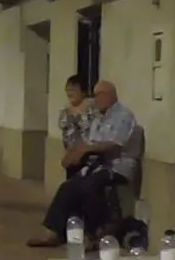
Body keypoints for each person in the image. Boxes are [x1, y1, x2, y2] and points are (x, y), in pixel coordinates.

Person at [26, 81, 138, 247]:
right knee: (69, 186)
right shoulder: (99, 117)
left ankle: (97, 232)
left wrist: (86, 150)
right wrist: (73, 154)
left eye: (97, 95)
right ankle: (54, 232)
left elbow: (115, 145)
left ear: (109, 95)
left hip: (117, 166)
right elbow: (88, 141)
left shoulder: (123, 115)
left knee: (88, 187)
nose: (95, 100)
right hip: (98, 164)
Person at [57, 75, 97, 179]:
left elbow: (93, 131)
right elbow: (65, 132)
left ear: (83, 91)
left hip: (88, 155)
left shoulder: (92, 108)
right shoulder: (65, 110)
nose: (70, 93)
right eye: (68, 89)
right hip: (71, 156)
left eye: (74, 90)